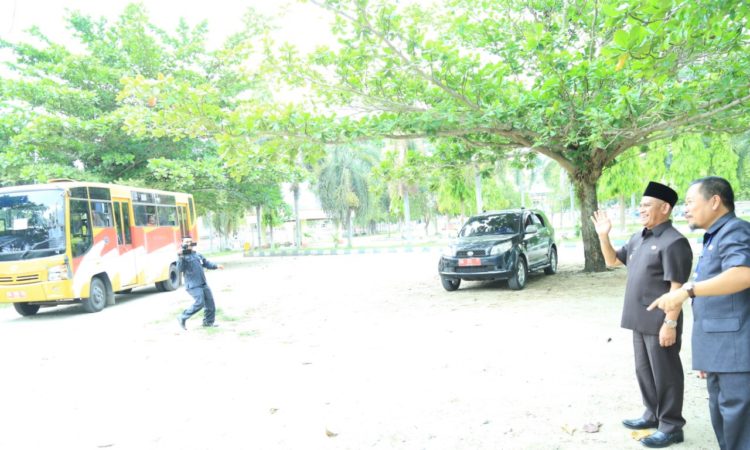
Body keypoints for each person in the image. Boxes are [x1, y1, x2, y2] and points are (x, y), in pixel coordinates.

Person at [648, 176, 750, 450]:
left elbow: (743, 274)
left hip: (737, 353)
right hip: (722, 351)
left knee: (739, 424)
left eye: (690, 202)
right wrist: (709, 355)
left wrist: (688, 290)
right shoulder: (716, 236)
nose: (686, 209)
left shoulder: (735, 231)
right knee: (725, 420)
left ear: (715, 201)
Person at [591, 181, 693, 448]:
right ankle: (652, 414)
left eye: (647, 205)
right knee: (644, 371)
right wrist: (603, 235)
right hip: (639, 319)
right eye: (640, 205)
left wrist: (670, 323)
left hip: (660, 321)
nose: (641, 209)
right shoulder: (639, 237)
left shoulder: (674, 242)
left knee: (666, 374)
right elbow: (612, 261)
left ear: (665, 208)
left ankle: (671, 426)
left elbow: (677, 288)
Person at [177, 238, 224, 330]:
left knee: (210, 302)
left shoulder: (197, 254)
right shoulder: (182, 256)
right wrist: (180, 257)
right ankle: (182, 316)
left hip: (203, 283)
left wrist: (216, 266)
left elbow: (206, 263)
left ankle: (208, 322)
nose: (189, 243)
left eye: (190, 242)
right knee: (200, 302)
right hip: (193, 285)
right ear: (182, 244)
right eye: (186, 242)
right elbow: (180, 269)